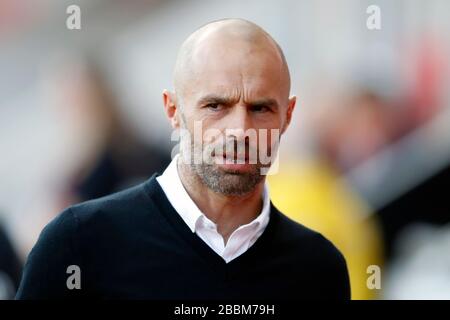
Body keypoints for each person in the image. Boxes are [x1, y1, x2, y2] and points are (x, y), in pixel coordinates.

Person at [16, 18, 350, 300]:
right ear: (173, 111)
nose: (239, 130)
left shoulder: (317, 267)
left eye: (260, 108)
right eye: (215, 106)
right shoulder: (77, 245)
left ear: (288, 116)